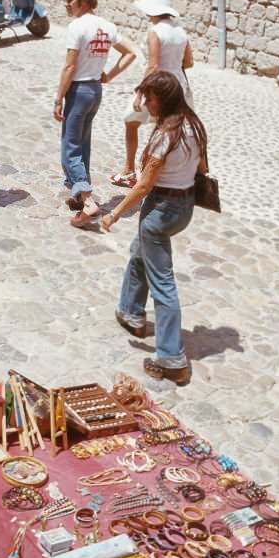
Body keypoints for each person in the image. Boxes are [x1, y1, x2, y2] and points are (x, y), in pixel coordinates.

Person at [101, 70, 208, 385]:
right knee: (140, 252)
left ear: (163, 100)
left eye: (149, 98)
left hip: (161, 209)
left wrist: (114, 214)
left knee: (163, 283)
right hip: (184, 206)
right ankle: (131, 312)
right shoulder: (194, 126)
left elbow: (144, 185)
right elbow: (203, 168)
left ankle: (172, 358)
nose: (145, 103)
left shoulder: (165, 136)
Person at [54, 0, 136, 227]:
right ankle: (78, 194)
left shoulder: (77, 27)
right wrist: (109, 75)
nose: (66, 4)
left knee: (70, 148)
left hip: (78, 91)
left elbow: (70, 67)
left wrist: (58, 98)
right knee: (83, 144)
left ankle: (88, 201)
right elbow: (131, 52)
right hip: (95, 91)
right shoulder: (106, 26)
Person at [111, 0, 194, 189]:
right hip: (178, 87)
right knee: (165, 131)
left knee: (131, 121)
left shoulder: (154, 31)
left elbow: (153, 65)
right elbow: (189, 62)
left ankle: (130, 170)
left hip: (158, 87)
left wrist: (140, 92)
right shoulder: (181, 32)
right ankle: (159, 177)